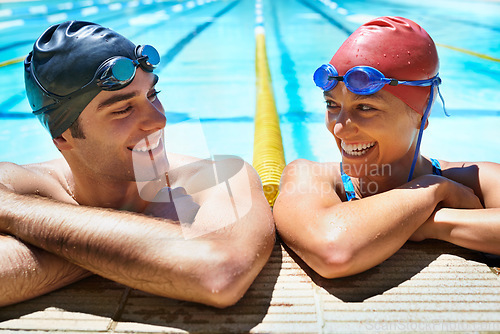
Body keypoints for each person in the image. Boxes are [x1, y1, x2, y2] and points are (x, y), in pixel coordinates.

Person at [0, 21, 275, 307]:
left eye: (153, 95)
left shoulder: (217, 178)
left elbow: (220, 273)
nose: (159, 120)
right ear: (63, 137)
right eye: (123, 109)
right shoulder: (15, 181)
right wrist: (163, 248)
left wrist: (13, 211)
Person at [273, 16, 500, 279]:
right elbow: (333, 251)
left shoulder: (481, 179)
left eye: (365, 108)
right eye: (332, 105)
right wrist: (433, 193)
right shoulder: (308, 176)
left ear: (422, 112)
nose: (339, 128)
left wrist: (430, 222)